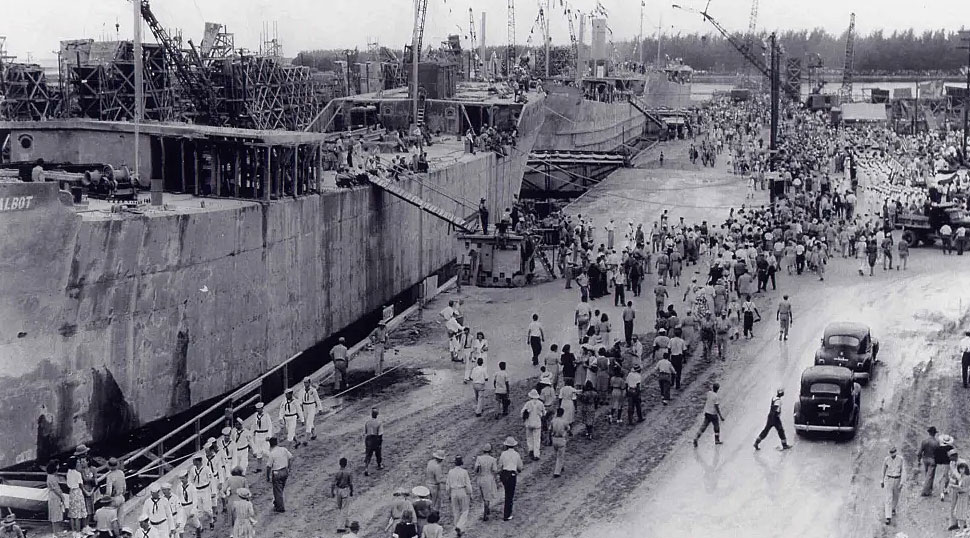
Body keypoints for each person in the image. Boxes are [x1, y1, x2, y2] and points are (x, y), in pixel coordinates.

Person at [498, 437, 524, 521]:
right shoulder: (516, 454)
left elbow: (500, 466)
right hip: (512, 475)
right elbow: (520, 467)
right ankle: (507, 514)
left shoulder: (503, 454)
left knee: (507, 493)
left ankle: (506, 513)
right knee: (510, 495)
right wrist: (517, 471)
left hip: (504, 474)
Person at [446, 456, 473, 537]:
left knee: (456, 510)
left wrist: (449, 494)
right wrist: (470, 493)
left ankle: (457, 527)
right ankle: (460, 526)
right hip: (462, 490)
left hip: (453, 491)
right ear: (461, 462)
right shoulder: (464, 472)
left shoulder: (450, 472)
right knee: (465, 510)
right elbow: (468, 484)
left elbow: (448, 484)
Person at [473, 444, 500, 521]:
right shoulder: (493, 459)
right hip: (489, 478)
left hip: (480, 478)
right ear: (490, 451)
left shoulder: (479, 458)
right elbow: (495, 470)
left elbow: (475, 469)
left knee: (483, 496)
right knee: (487, 497)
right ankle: (485, 513)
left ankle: (486, 509)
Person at [266, 437, 292, 512]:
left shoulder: (272, 453)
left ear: (270, 444)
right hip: (285, 471)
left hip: (277, 473)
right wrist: (289, 467)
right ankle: (277, 502)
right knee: (280, 489)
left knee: (278, 490)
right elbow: (290, 457)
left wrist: (267, 477)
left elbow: (268, 466)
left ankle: (280, 507)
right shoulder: (283, 449)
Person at [881, 446, 905, 525]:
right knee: (888, 498)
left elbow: (903, 471)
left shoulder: (900, 459)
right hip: (889, 479)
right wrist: (882, 481)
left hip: (897, 479)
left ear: (896, 452)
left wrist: (902, 482)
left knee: (896, 496)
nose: (892, 455)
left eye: (893, 453)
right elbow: (883, 470)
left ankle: (893, 508)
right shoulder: (886, 459)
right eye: (891, 453)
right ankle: (888, 517)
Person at [521, 389, 546, 460]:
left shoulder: (528, 403)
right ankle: (536, 454)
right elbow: (544, 413)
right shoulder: (540, 403)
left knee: (529, 437)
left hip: (529, 423)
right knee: (537, 439)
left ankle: (530, 450)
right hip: (537, 423)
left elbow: (522, 412)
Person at [332, 457, 354, 533]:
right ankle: (340, 527)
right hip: (345, 490)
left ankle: (346, 523)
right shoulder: (348, 472)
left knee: (341, 508)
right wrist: (351, 491)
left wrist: (332, 492)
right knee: (344, 509)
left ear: (339, 464)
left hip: (338, 490)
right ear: (346, 464)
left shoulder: (337, 472)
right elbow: (350, 483)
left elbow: (333, 483)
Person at [298, 377, 322, 446]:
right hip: (305, 407)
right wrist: (300, 407)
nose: (305, 384)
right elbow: (300, 400)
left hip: (311, 406)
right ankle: (314, 434)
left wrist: (320, 408)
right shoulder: (301, 390)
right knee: (308, 421)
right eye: (304, 383)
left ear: (309, 383)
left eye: (307, 382)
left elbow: (317, 399)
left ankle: (306, 439)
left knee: (309, 422)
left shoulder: (313, 390)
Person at [67, 457, 88, 534]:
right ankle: (78, 531)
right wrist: (86, 492)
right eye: (78, 462)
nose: (79, 464)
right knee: (78, 514)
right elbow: (81, 486)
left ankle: (73, 531)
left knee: (72, 513)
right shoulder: (78, 474)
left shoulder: (68, 472)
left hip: (71, 493)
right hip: (77, 492)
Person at [918, 426, 940, 496]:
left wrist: (919, 460)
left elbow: (920, 452)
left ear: (929, 433)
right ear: (935, 433)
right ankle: (925, 491)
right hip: (933, 460)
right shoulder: (936, 443)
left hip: (925, 459)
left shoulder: (924, 441)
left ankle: (929, 490)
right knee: (930, 476)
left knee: (927, 474)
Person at [45, 460, 66, 535]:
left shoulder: (50, 476)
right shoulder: (52, 477)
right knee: (56, 514)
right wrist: (62, 496)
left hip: (53, 495)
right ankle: (56, 532)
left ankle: (57, 532)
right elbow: (56, 489)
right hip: (55, 496)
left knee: (56, 514)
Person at [363, 408, 384, 476]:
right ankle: (379, 464)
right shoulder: (379, 422)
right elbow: (380, 434)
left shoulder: (367, 422)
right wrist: (380, 442)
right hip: (375, 438)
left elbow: (366, 432)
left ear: (371, 414)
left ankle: (366, 468)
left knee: (368, 454)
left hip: (368, 439)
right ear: (377, 415)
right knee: (378, 453)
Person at [950, 462, 970, 530]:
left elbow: (966, 489)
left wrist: (955, 487)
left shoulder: (967, 478)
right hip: (960, 497)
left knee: (961, 513)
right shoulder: (961, 477)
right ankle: (961, 528)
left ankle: (962, 529)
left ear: (965, 469)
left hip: (964, 497)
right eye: (960, 469)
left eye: (963, 469)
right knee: (958, 512)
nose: (961, 470)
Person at [550, 408, 569, 478]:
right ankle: (557, 472)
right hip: (561, 439)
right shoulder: (564, 421)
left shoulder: (553, 421)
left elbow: (550, 430)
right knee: (560, 455)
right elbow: (568, 428)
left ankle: (561, 466)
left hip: (554, 438)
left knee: (557, 454)